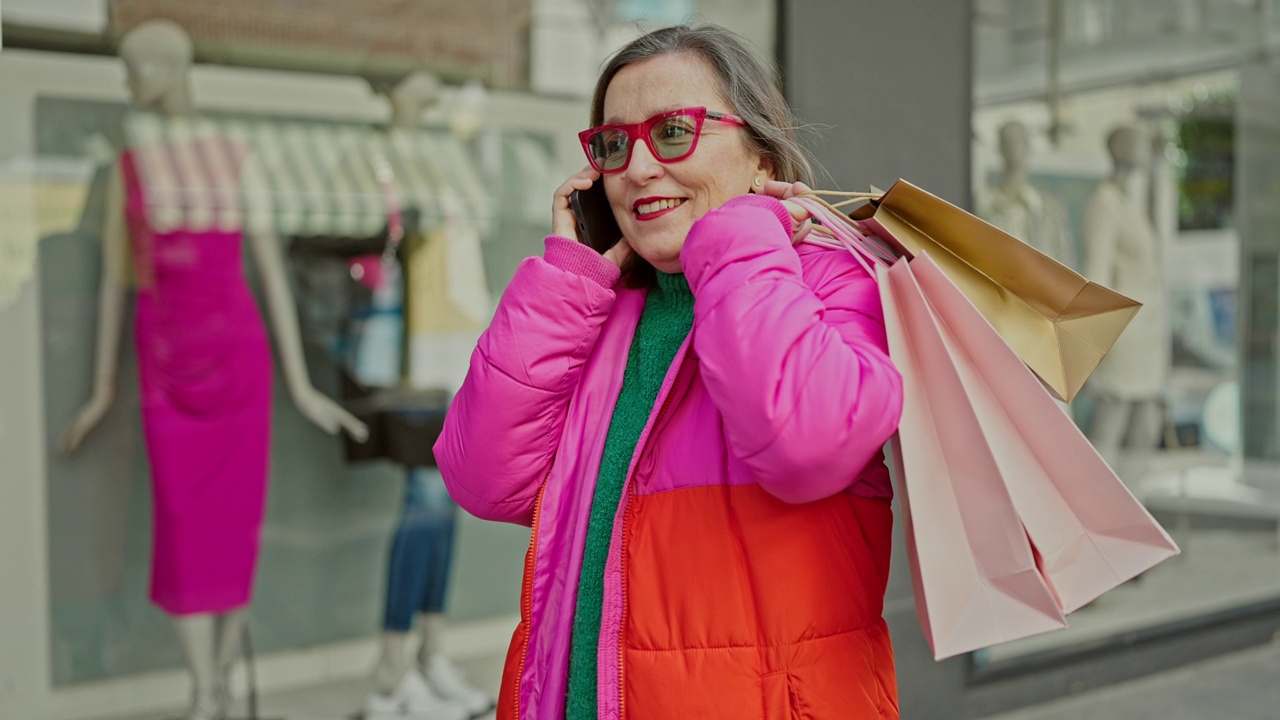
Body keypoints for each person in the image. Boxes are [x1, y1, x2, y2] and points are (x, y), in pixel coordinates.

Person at [434, 23, 904, 720]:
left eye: (675, 132)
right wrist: (565, 282)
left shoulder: (838, 282)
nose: (641, 167)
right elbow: (482, 480)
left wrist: (740, 229)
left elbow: (804, 444)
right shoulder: (595, 309)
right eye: (615, 144)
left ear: (758, 153)